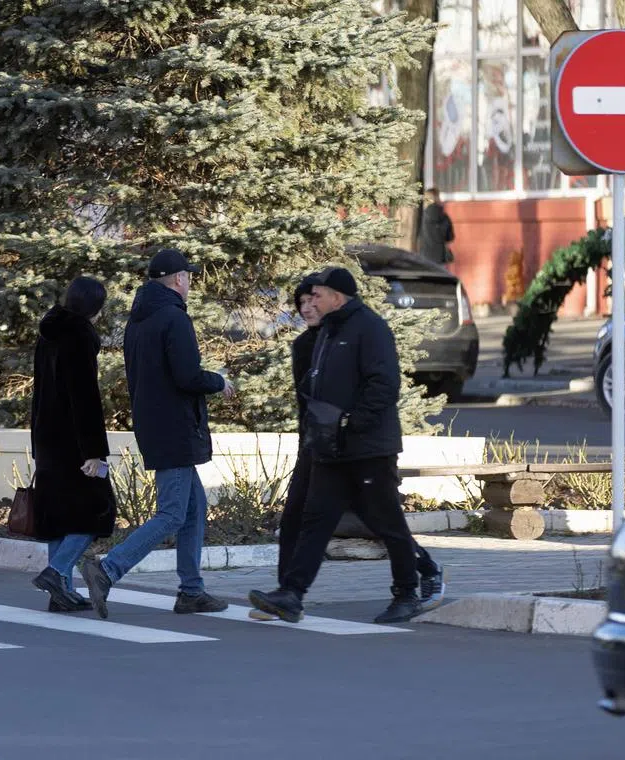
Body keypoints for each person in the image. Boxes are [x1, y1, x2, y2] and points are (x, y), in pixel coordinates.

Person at [249, 267, 440, 625]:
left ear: (338, 296)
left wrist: (351, 422)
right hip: (330, 448)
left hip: (368, 448)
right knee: (315, 520)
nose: (311, 302)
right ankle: (291, 594)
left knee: (386, 521)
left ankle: (407, 593)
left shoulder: (369, 328)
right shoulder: (327, 332)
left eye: (317, 295)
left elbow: (383, 385)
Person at [81, 248, 234, 619]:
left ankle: (191, 591)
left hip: (155, 424)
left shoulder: (139, 320)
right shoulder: (174, 319)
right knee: (171, 514)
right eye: (190, 277)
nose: (191, 283)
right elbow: (187, 376)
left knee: (194, 510)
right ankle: (110, 568)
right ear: (179, 279)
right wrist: (220, 382)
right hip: (177, 429)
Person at [29, 276, 117, 613]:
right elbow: (85, 399)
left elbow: (40, 394)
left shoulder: (48, 333)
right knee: (96, 514)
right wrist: (94, 451)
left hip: (47, 438)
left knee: (58, 517)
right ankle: (56, 572)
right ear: (95, 307)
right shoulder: (79, 336)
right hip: (73, 443)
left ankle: (60, 594)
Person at [418, 187, 455, 266]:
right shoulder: (444, 217)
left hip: (425, 257)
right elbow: (450, 237)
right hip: (440, 257)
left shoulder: (421, 217)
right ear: (438, 198)